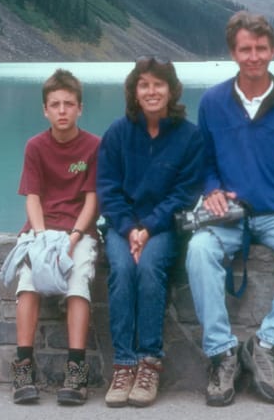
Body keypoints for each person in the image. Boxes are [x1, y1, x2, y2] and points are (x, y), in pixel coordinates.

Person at [185, 11, 274, 406]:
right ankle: (222, 353)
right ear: (233, 52)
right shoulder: (213, 102)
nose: (254, 57)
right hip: (230, 214)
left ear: (273, 50)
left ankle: (266, 344)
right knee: (199, 250)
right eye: (245, 49)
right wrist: (212, 191)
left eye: (261, 48)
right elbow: (207, 163)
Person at [97, 56, 204, 408]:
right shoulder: (116, 133)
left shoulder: (189, 136)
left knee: (148, 269)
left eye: (159, 84)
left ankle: (149, 363)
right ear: (134, 91)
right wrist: (130, 229)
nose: (152, 91)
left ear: (172, 90)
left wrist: (149, 229)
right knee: (123, 270)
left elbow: (185, 193)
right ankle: (124, 365)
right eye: (144, 84)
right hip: (122, 226)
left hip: (166, 227)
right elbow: (108, 189)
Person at [10, 69, 101, 406]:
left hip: (79, 231)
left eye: (69, 104)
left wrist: (75, 236)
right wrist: (39, 236)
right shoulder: (35, 146)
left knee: (78, 281)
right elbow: (32, 196)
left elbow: (92, 198)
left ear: (80, 108)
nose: (62, 110)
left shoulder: (94, 146)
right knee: (28, 280)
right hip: (41, 230)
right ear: (45, 110)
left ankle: (76, 370)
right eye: (55, 105)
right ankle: (22, 366)